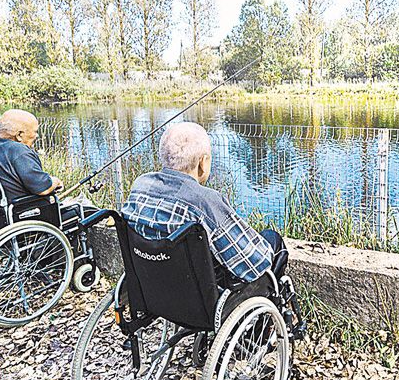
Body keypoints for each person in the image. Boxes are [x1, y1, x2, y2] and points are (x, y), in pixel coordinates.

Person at [122, 122, 286, 284]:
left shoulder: (140, 186)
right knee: (273, 239)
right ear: (202, 162)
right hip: (201, 300)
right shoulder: (205, 203)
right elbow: (255, 265)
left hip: (153, 288)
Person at [0, 109, 63, 200]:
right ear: (19, 135)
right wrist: (56, 181)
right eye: (35, 131)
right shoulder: (19, 151)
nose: (37, 136)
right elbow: (42, 188)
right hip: (26, 210)